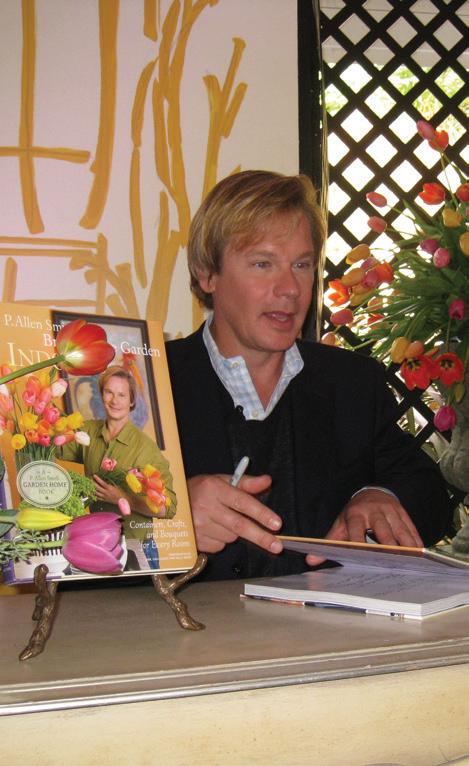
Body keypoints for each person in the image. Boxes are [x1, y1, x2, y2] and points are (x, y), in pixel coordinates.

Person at [166, 170, 453, 581]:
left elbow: (429, 494)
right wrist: (168, 519)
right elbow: (83, 529)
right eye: (263, 264)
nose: (290, 289)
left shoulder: (352, 381)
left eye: (302, 265)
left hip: (329, 623)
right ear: (206, 273)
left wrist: (379, 496)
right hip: (186, 623)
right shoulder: (149, 383)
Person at [61, 365, 176, 547]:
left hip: (135, 545)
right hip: (98, 542)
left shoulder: (146, 448)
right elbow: (54, 445)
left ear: (131, 401)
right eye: (109, 392)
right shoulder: (88, 431)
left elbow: (167, 508)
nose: (114, 400)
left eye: (122, 395)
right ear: (102, 395)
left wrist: (124, 498)